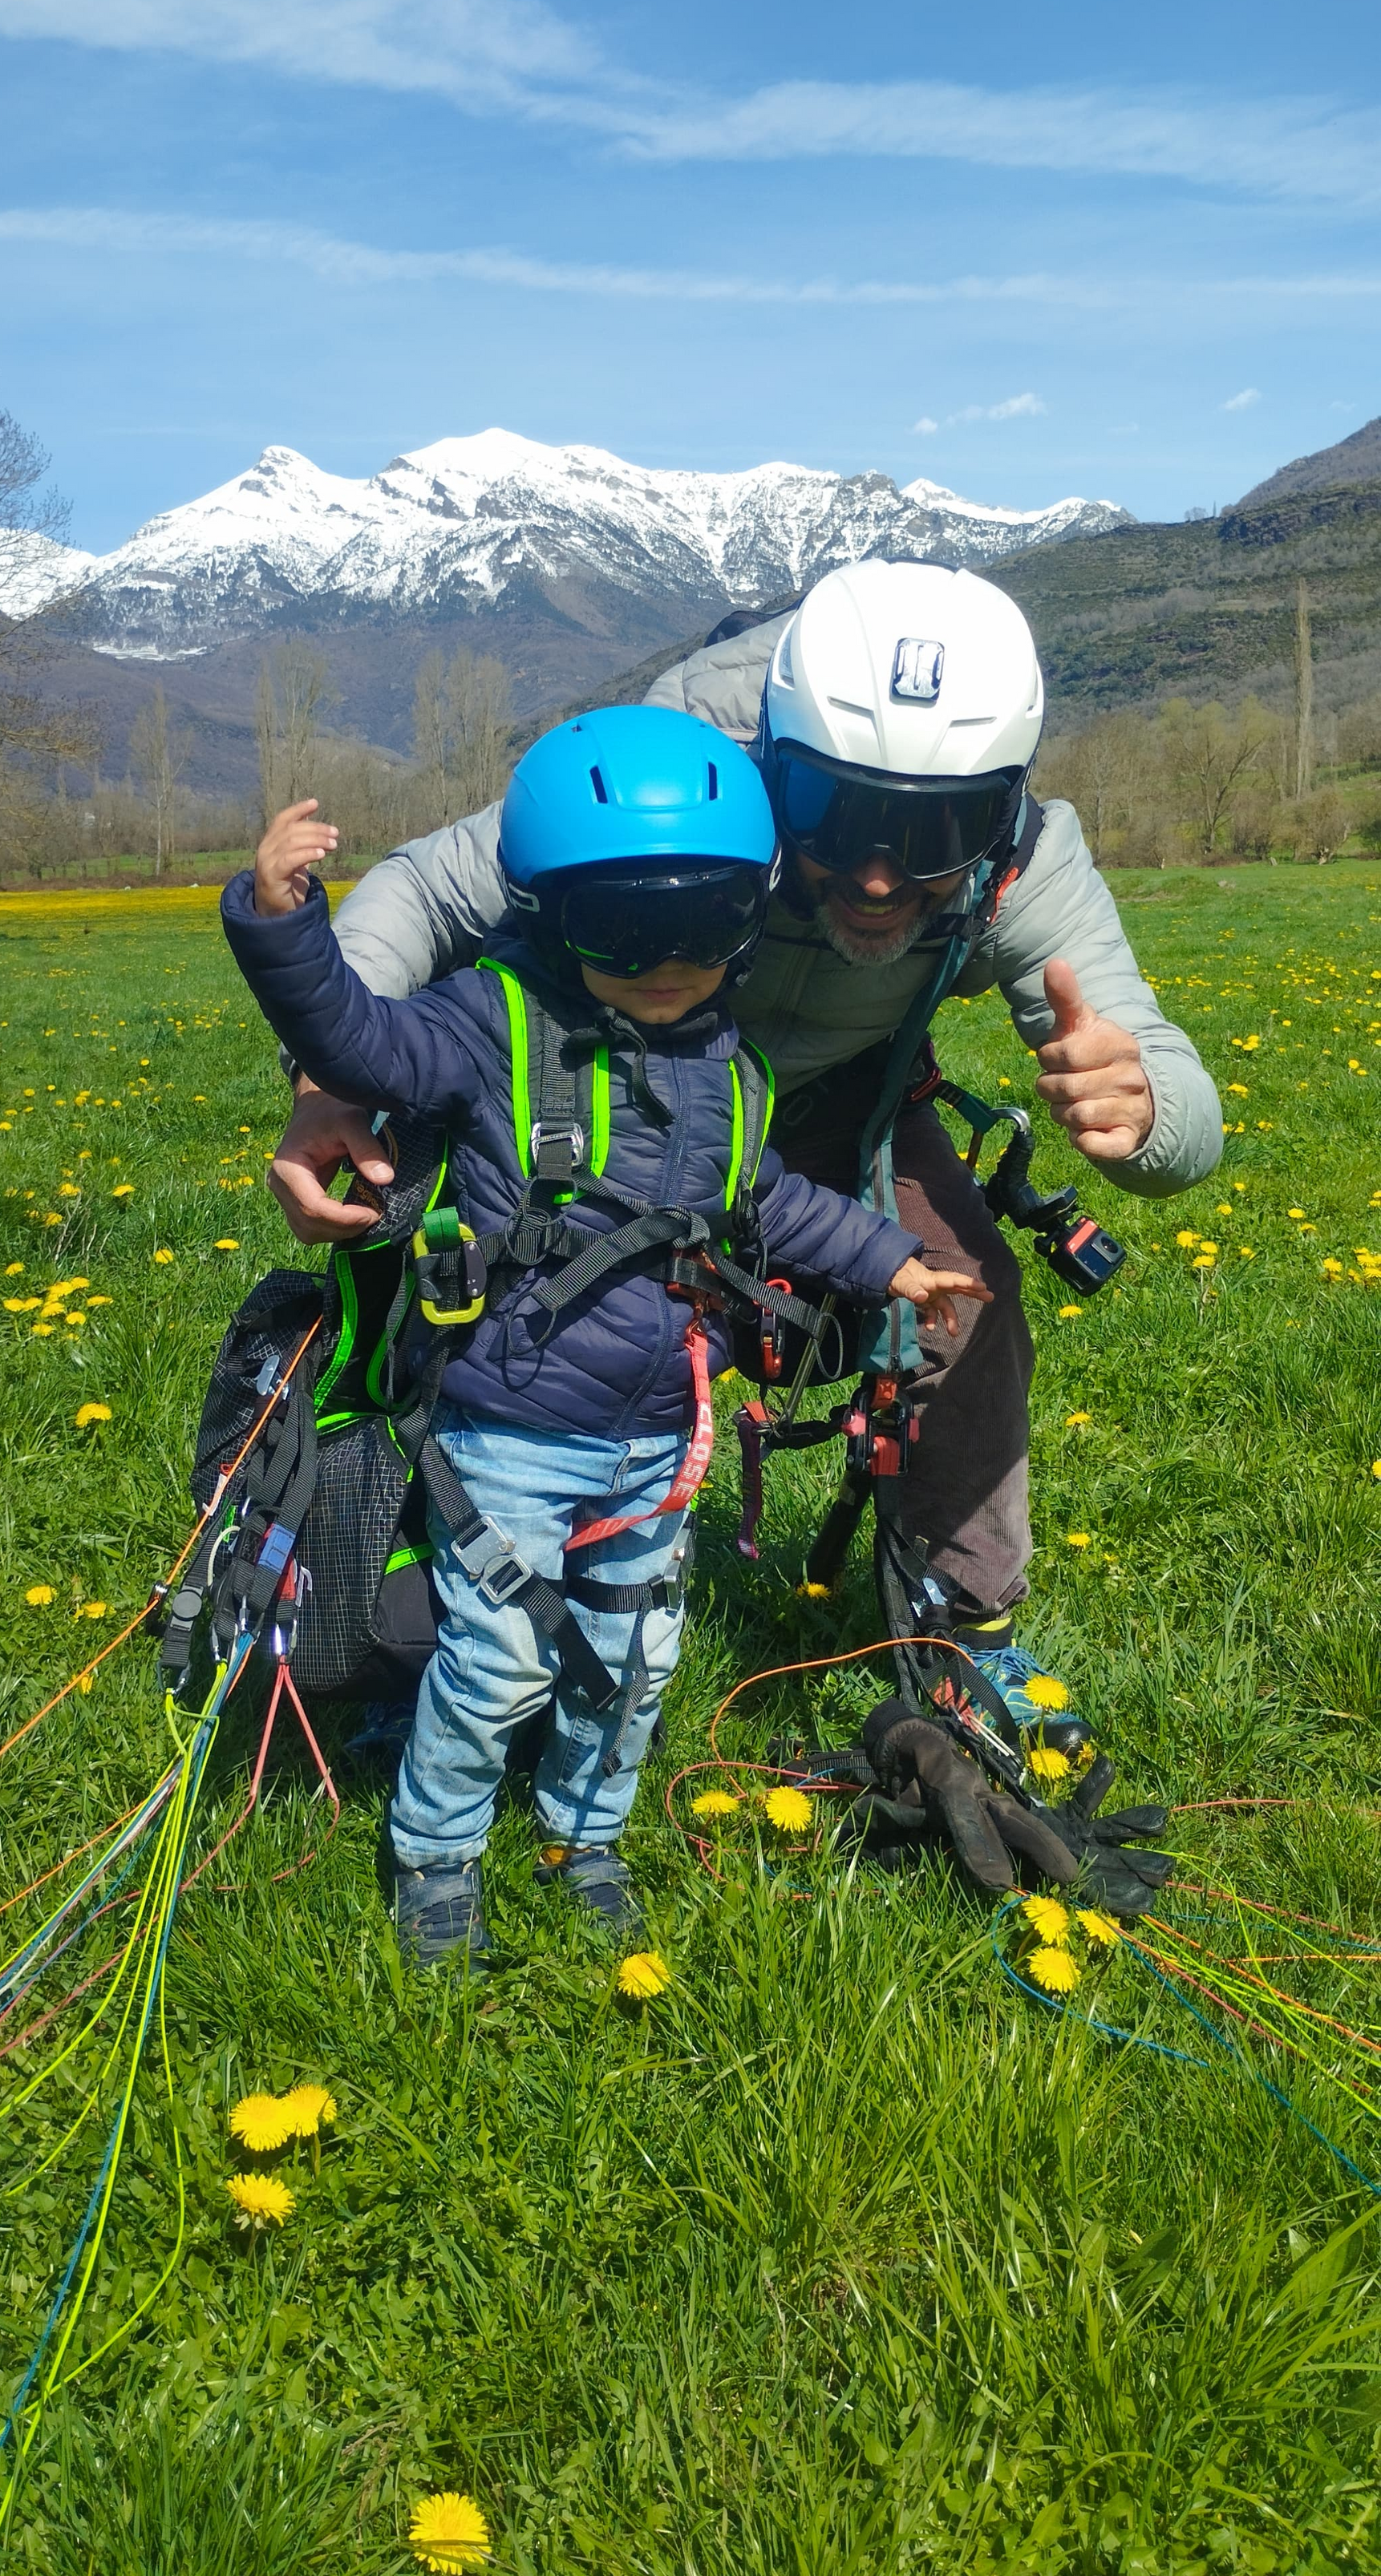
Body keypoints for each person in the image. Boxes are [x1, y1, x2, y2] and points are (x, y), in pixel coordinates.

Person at [263, 560, 1221, 1734]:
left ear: (1003, 803)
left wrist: (1142, 1115)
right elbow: (424, 890)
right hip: (584, 1090)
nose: (879, 874)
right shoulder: (668, 764)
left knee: (969, 1299)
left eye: (936, 834)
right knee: (473, 1288)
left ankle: (969, 1633)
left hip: (825, 1109)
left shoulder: (1028, 861)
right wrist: (324, 1088)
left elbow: (1170, 1083)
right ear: (771, 765)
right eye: (838, 815)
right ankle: (413, 1586)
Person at [221, 707, 991, 1963]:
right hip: (514, 1436)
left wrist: (894, 1259)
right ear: (547, 912)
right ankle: (436, 1860)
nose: (667, 962)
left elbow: (768, 1199)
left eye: (702, 927)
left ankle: (587, 1836)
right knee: (500, 1667)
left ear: (748, 919)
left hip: (658, 1440)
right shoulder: (486, 1022)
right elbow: (354, 1037)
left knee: (631, 1663)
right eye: (625, 929)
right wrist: (280, 925)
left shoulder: (727, 1066)